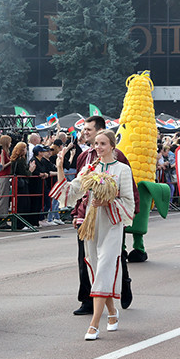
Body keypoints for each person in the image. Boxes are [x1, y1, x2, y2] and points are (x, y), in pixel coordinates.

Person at [52, 130, 135, 340]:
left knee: (106, 265)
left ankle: (94, 323)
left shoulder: (123, 170)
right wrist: (60, 167)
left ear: (112, 146)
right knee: (97, 269)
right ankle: (113, 313)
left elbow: (129, 203)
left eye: (103, 144)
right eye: (96, 143)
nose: (98, 147)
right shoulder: (90, 168)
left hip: (113, 224)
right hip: (92, 222)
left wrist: (108, 201)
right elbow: (71, 193)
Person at [0, 135, 13, 217]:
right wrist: (11, 162)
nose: (10, 143)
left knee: (5, 198)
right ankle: (1, 216)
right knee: (3, 197)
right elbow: (2, 166)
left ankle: (3, 215)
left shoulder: (3, 152)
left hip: (4, 177)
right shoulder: (3, 152)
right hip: (3, 177)